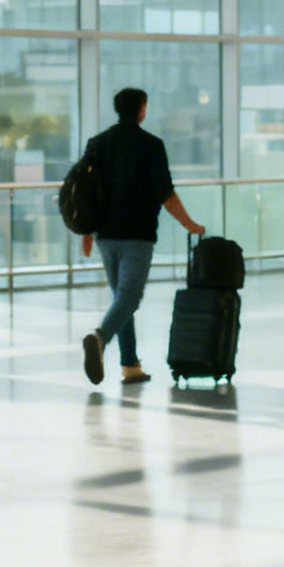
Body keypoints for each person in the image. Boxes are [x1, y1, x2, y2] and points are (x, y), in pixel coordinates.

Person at [76, 88, 206, 387]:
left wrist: (85, 231)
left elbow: (86, 191)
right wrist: (190, 225)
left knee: (122, 299)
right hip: (137, 235)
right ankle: (99, 338)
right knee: (129, 298)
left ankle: (130, 365)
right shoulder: (151, 146)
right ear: (142, 109)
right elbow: (166, 194)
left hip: (105, 235)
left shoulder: (97, 144)